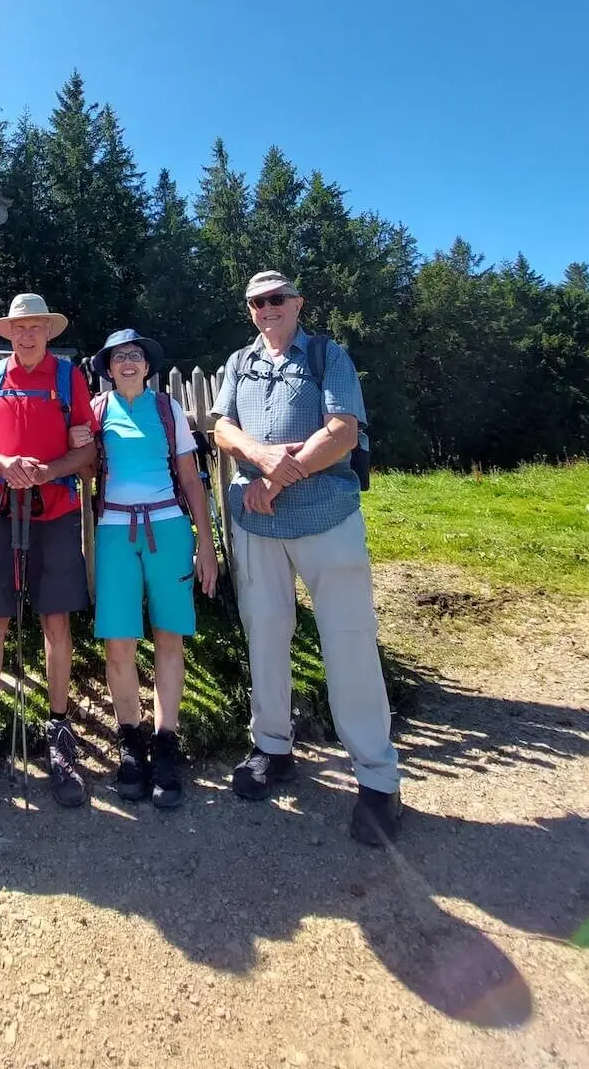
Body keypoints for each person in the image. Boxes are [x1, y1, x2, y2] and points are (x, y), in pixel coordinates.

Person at [211, 272, 401, 845]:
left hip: (326, 515)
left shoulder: (327, 356)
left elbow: (342, 432)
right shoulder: (239, 362)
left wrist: (277, 476)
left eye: (277, 299)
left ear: (297, 304)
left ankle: (377, 778)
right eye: (257, 302)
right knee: (265, 633)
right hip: (257, 522)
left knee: (349, 640)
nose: (267, 309)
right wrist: (260, 455)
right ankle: (272, 748)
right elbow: (222, 428)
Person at [0, 292, 97, 807]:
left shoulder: (68, 378)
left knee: (56, 621)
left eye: (36, 326)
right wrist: (3, 464)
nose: (27, 334)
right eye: (19, 327)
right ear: (8, 333)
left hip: (55, 513)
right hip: (0, 509)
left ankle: (58, 731)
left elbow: (86, 449)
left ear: (48, 331)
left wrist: (45, 472)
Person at [89, 329, 219, 809]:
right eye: (119, 357)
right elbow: (83, 466)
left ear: (147, 366)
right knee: (118, 642)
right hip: (114, 531)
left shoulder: (168, 411)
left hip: (168, 527)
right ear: (107, 368)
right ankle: (130, 740)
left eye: (135, 356)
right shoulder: (96, 412)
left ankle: (166, 742)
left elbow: (190, 477)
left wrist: (206, 545)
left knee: (169, 637)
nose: (128, 363)